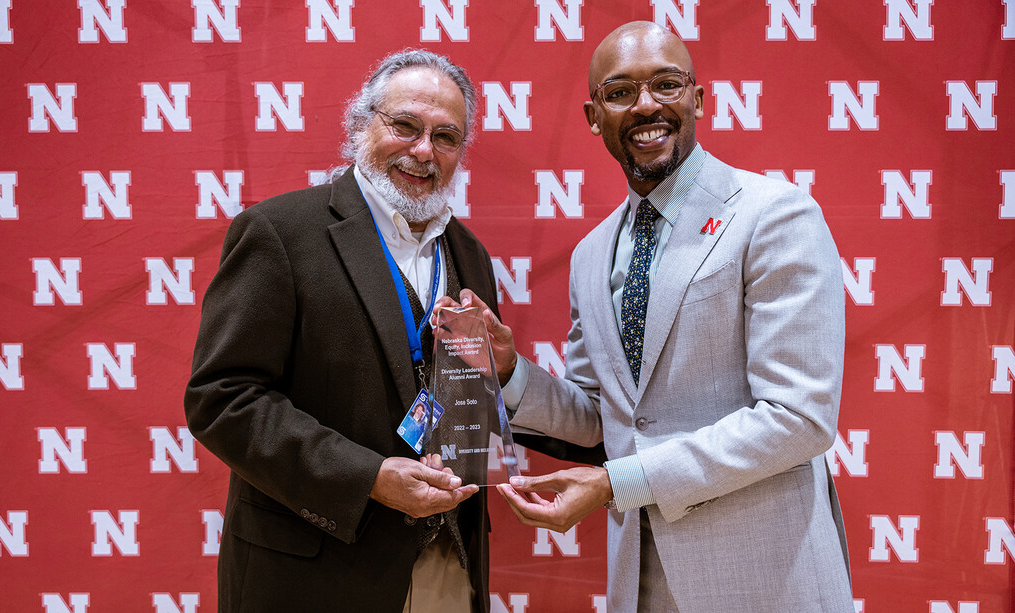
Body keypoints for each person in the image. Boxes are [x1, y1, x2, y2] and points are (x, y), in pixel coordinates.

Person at [445, 21, 854, 612]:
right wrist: (509, 372)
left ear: (698, 98)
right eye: (619, 93)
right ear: (593, 116)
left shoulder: (775, 215)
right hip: (640, 579)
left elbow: (798, 416)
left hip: (766, 577)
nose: (645, 107)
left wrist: (616, 482)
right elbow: (603, 417)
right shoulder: (592, 255)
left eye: (666, 85)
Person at [184, 49, 494, 612]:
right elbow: (221, 400)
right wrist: (367, 475)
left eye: (446, 137)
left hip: (446, 567)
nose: (424, 150)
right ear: (360, 124)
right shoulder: (279, 232)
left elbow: (467, 398)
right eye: (405, 125)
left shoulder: (470, 254)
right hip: (312, 576)